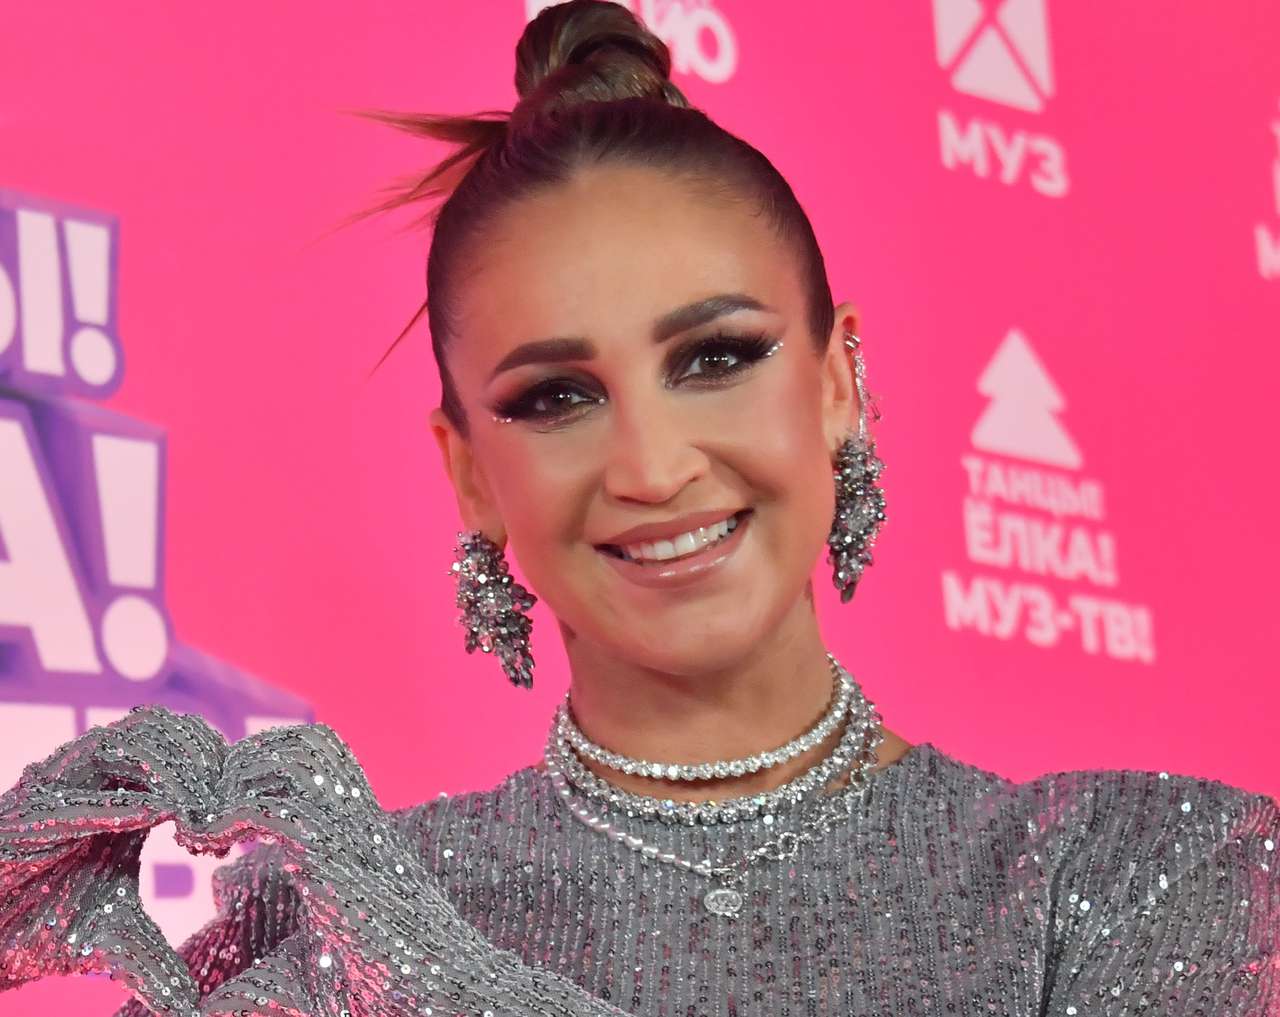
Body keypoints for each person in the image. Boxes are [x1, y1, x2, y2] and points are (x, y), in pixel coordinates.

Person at [1, 2, 1277, 1014]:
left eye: (714, 358)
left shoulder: (1131, 873)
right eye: (556, 397)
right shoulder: (343, 916)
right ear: (468, 471)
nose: (652, 467)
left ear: (836, 381)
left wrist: (435, 979)